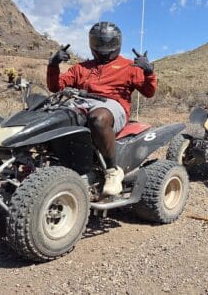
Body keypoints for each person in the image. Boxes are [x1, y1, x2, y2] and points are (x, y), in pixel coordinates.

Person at [47, 21, 156, 197]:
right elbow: (56, 87)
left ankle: (113, 171)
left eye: (108, 43)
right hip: (82, 103)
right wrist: (53, 64)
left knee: (98, 119)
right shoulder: (81, 67)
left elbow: (149, 92)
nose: (104, 47)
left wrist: (149, 72)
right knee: (53, 116)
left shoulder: (130, 67)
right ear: (92, 43)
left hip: (112, 106)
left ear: (117, 43)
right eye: (99, 43)